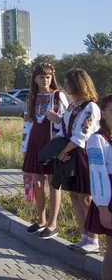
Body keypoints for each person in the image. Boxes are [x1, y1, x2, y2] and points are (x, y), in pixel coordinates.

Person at [21, 63, 68, 239]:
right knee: (37, 183)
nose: (45, 80)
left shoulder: (58, 96)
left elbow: (67, 120)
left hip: (52, 142)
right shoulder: (31, 97)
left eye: (48, 77)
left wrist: (58, 120)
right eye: (41, 77)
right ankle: (41, 219)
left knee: (53, 183)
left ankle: (53, 223)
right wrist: (24, 147)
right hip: (35, 141)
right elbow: (26, 123)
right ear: (35, 79)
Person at [56, 68, 101, 252]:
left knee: (86, 197)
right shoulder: (73, 106)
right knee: (74, 196)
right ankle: (84, 236)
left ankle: (94, 240)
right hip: (69, 154)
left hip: (84, 155)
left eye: (68, 82)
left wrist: (63, 151)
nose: (65, 86)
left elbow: (82, 134)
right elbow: (65, 128)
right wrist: (61, 150)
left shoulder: (91, 107)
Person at [85, 95, 112, 277]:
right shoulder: (97, 140)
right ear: (103, 113)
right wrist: (102, 207)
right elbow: (97, 174)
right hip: (109, 196)